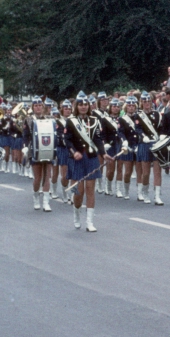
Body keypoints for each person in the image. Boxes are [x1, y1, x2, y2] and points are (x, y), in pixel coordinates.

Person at [66, 92, 112, 232]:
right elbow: (66, 140)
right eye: (81, 105)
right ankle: (76, 214)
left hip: (91, 157)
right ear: (77, 106)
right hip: (77, 158)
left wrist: (103, 153)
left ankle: (90, 222)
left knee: (90, 190)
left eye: (86, 104)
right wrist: (74, 152)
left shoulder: (94, 120)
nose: (84, 107)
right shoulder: (70, 120)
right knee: (78, 192)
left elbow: (98, 139)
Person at [23, 97, 54, 212]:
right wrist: (25, 147)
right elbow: (25, 135)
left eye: (40, 105)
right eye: (36, 106)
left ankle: (46, 202)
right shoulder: (28, 119)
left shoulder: (50, 118)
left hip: (48, 148)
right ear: (33, 107)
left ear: (43, 106)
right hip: (35, 149)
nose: (38, 107)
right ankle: (36, 197)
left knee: (47, 176)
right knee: (38, 177)